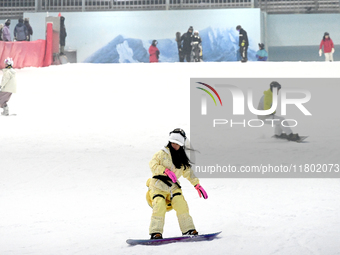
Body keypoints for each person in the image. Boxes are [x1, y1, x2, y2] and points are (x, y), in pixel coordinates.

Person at [146, 128, 208, 239]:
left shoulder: (182, 158)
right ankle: (156, 232)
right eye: (173, 142)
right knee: (159, 204)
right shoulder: (161, 154)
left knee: (181, 204)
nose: (175, 145)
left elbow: (188, 172)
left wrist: (196, 184)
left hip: (173, 187)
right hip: (158, 185)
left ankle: (188, 230)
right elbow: (152, 165)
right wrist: (165, 170)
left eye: (177, 143)